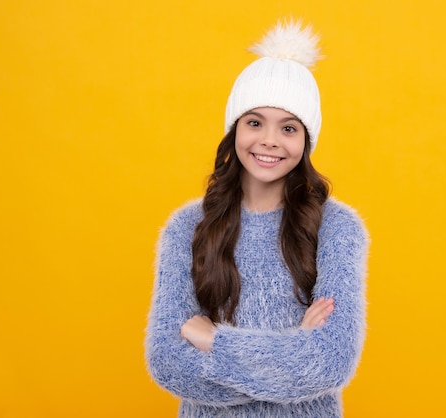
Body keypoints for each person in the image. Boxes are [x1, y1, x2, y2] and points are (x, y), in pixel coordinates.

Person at [145, 19, 370, 418]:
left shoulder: (337, 228)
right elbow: (169, 364)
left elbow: (331, 360)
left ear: (306, 140)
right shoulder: (186, 227)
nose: (269, 140)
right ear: (234, 131)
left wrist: (215, 340)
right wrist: (293, 350)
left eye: (288, 127)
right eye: (254, 122)